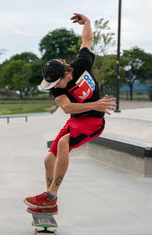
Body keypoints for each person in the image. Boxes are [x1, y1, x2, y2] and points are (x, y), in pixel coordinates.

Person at [23, 13, 117, 215]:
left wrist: (88, 23)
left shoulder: (82, 63)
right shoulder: (56, 89)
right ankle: (50, 202)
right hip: (77, 118)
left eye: (57, 82)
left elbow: (87, 40)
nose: (55, 87)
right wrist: (95, 103)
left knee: (64, 143)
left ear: (66, 73)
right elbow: (67, 108)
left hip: (94, 121)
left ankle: (51, 196)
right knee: (48, 160)